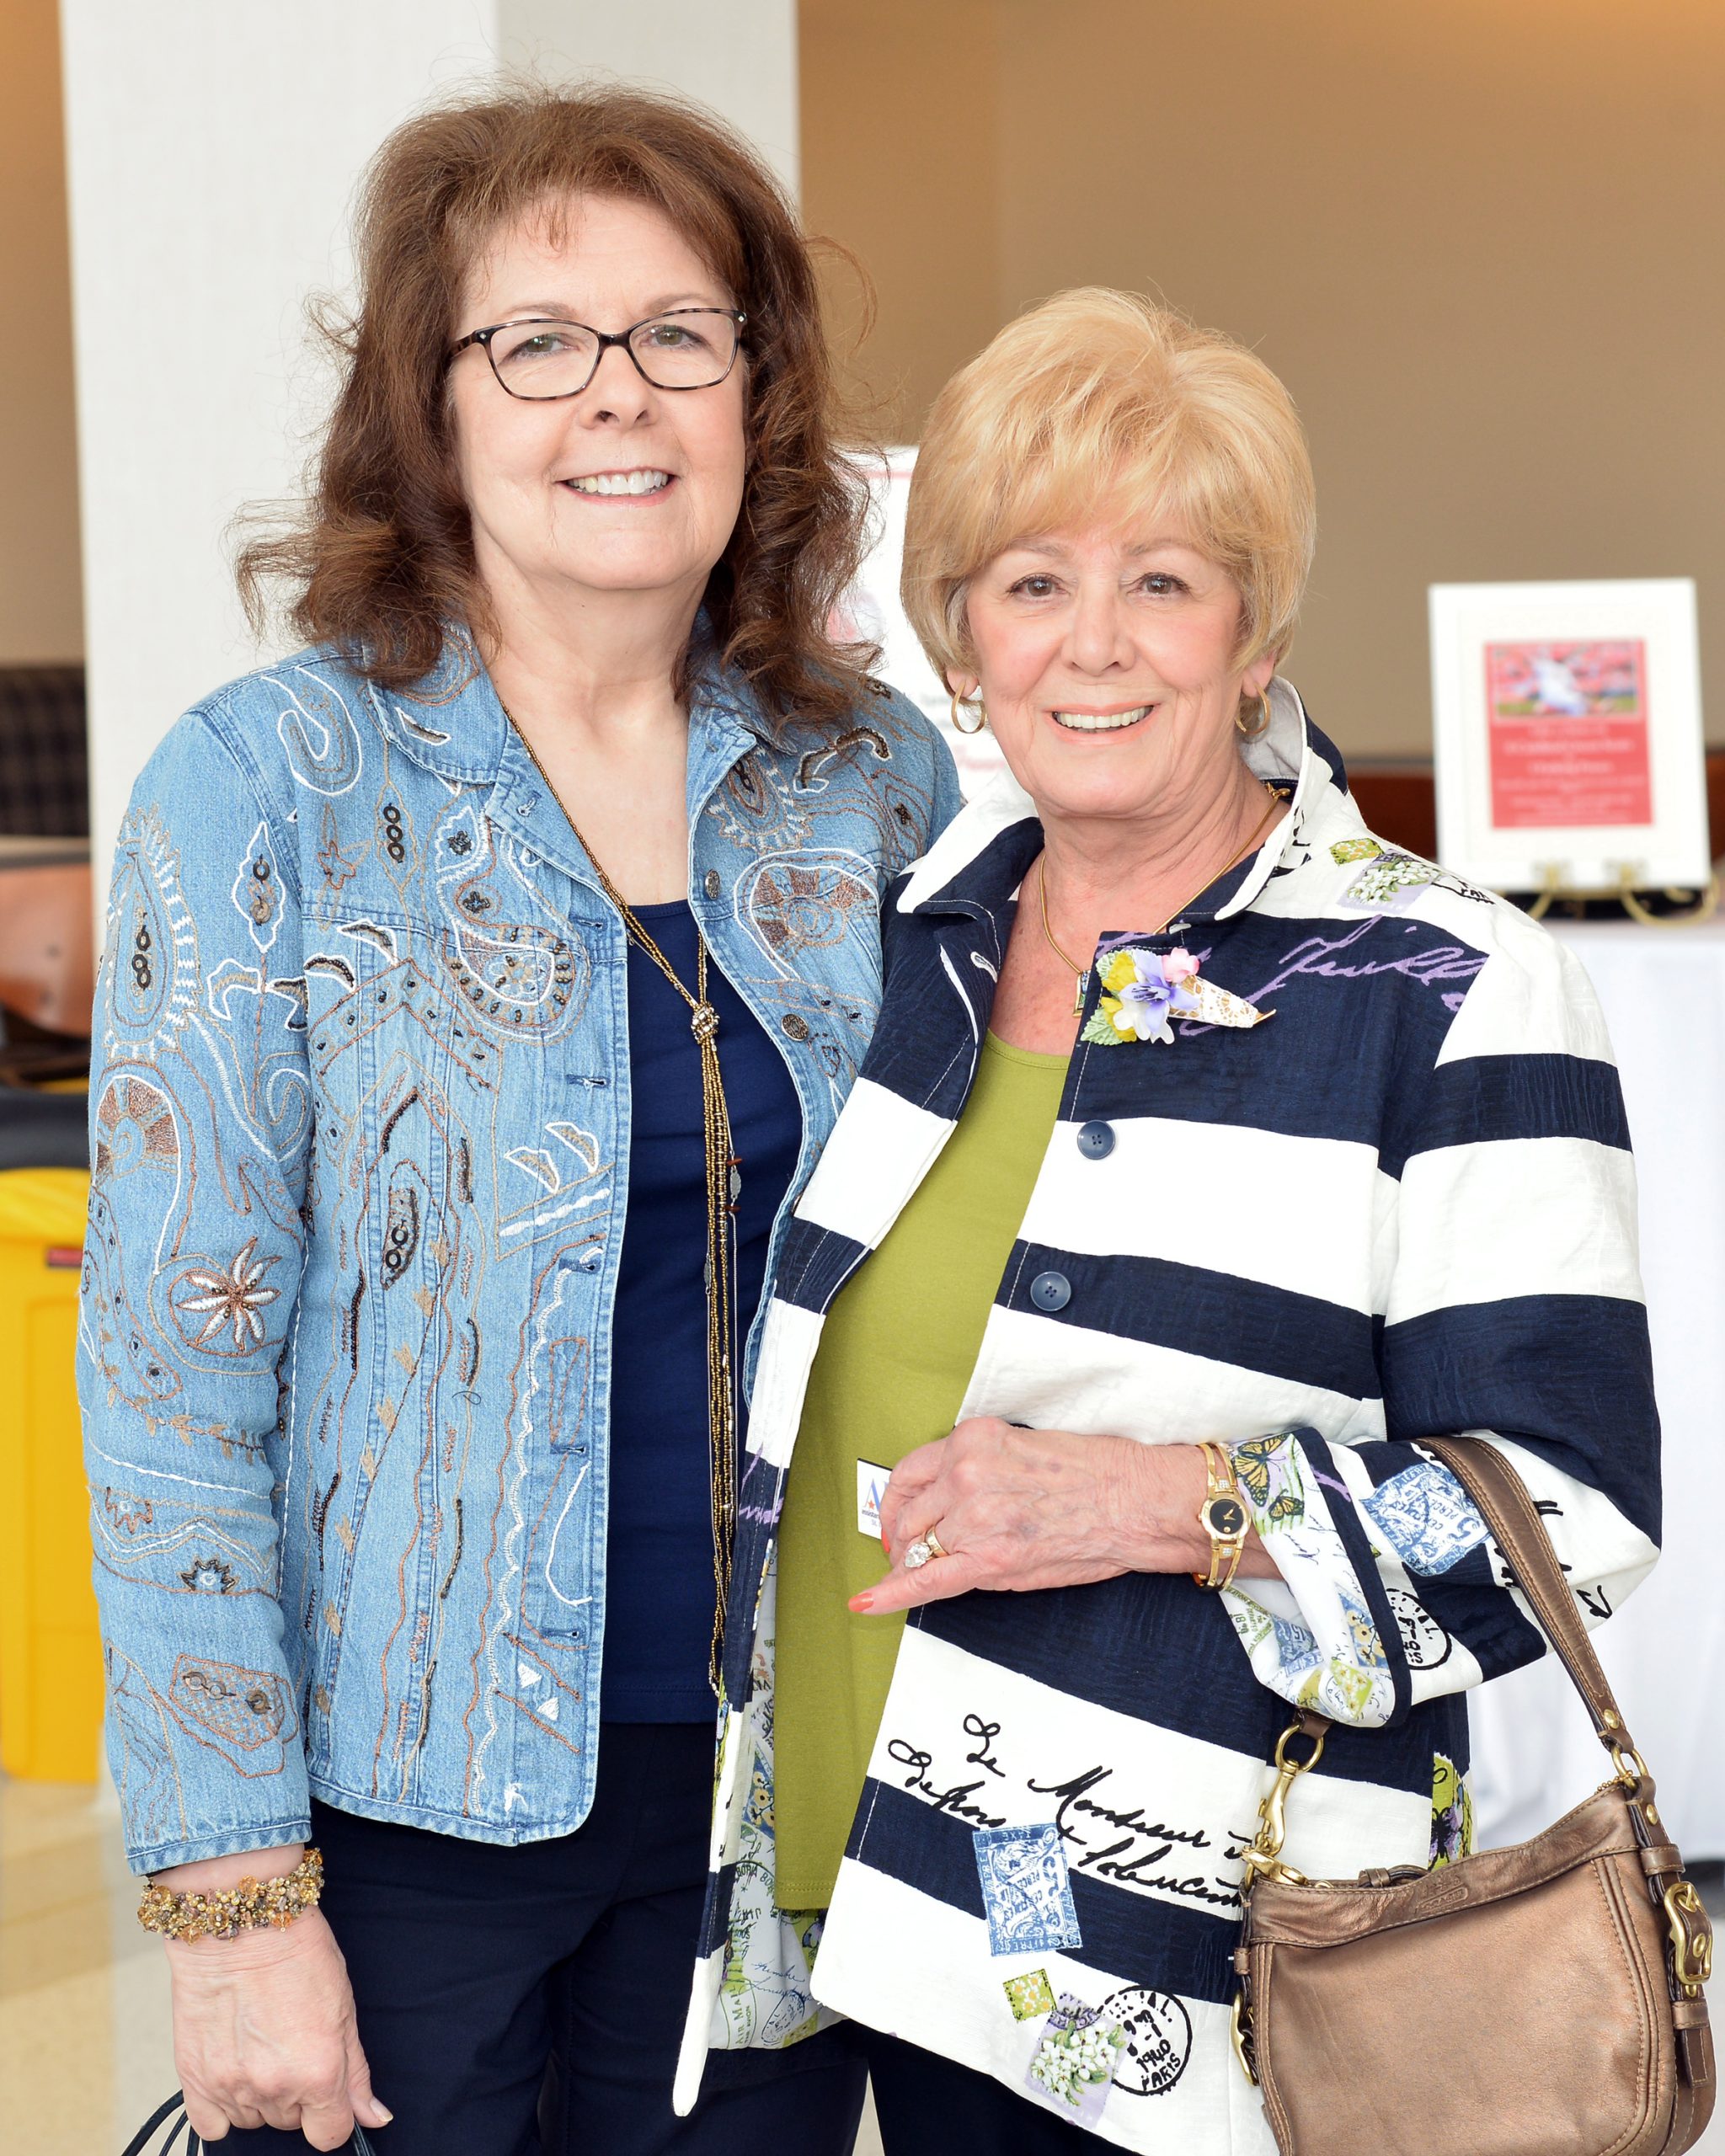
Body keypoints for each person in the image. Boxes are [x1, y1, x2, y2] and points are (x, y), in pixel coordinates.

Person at [673, 290, 1661, 2152]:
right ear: (961, 638)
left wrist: (1161, 1503)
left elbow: (1573, 1509)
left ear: (1254, 630)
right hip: (829, 1888)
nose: (1094, 642)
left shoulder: (1444, 980)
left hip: (1190, 1951)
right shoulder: (898, 953)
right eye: (1032, 582)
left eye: (1164, 581)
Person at [78, 83, 958, 2154]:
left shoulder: (871, 781)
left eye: (680, 333)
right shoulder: (269, 786)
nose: (618, 394)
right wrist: (233, 1894)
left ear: (757, 392)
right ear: (433, 405)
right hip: (402, 1815)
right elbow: (169, 1373)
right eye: (539, 341)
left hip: (784, 1790)